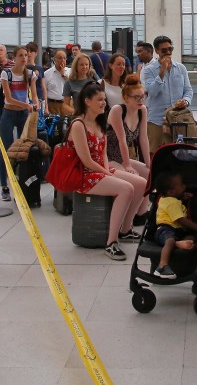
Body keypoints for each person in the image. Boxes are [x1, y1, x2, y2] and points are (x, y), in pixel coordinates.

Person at [69, 82, 148, 261]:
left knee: (142, 183)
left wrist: (106, 170)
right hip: (85, 175)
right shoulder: (78, 125)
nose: (104, 103)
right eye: (99, 100)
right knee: (126, 188)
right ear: (87, 101)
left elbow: (103, 153)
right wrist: (107, 172)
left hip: (101, 169)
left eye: (104, 99)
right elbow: (86, 161)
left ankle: (126, 229)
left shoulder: (99, 123)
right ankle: (111, 242)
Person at [106, 74, 151, 224]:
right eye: (136, 97)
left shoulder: (142, 110)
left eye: (142, 96)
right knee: (137, 178)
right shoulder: (117, 110)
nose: (140, 100)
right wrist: (127, 165)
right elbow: (121, 139)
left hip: (121, 156)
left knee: (149, 174)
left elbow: (143, 138)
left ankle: (140, 214)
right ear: (126, 98)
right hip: (108, 157)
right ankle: (126, 221)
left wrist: (149, 162)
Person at [142, 36, 193, 155]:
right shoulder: (149, 70)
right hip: (157, 120)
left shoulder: (181, 68)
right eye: (164, 50)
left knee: (179, 154)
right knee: (156, 155)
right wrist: (162, 72)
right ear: (157, 51)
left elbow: (188, 90)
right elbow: (151, 92)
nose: (168, 52)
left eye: (170, 49)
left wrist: (185, 101)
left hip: (178, 119)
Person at [0, 46, 37, 201]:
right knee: (6, 150)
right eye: (21, 55)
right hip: (9, 113)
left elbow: (33, 93)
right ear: (14, 58)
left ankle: (21, 185)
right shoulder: (6, 74)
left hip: (23, 114)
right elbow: (8, 97)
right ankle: (4, 186)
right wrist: (26, 105)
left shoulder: (30, 74)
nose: (24, 58)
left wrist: (35, 104)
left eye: (26, 55)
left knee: (23, 149)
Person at [153, 171, 197, 279]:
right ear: (172, 192)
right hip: (165, 229)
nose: (185, 186)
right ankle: (162, 266)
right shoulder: (171, 203)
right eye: (182, 185)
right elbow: (180, 219)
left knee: (191, 238)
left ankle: (179, 243)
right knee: (170, 241)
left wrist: (181, 197)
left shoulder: (171, 199)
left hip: (176, 231)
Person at [44, 50, 70, 115]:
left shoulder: (71, 72)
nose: (62, 60)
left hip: (67, 104)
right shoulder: (47, 73)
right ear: (54, 59)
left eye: (64, 58)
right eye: (60, 58)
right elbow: (45, 91)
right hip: (53, 105)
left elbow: (73, 86)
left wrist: (64, 74)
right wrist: (46, 108)